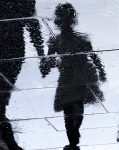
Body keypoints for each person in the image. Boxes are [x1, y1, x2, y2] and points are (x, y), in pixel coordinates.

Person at [40, 3, 106, 150]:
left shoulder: (81, 39)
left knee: (75, 105)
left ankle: (73, 138)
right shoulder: (58, 41)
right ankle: (72, 138)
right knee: (69, 107)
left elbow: (93, 56)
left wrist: (101, 71)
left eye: (67, 17)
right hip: (68, 75)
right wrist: (46, 65)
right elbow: (48, 59)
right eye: (61, 18)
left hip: (80, 74)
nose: (64, 21)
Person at [0, 1, 45, 149]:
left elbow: (32, 24)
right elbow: (33, 25)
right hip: (14, 50)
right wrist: (41, 55)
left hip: (12, 50)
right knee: (2, 97)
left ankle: (7, 141)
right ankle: (7, 141)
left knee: (2, 98)